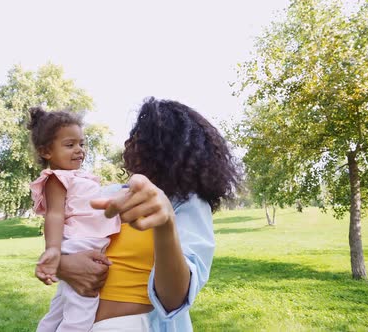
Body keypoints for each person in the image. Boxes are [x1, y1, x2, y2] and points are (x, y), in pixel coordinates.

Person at [49, 97, 240, 331]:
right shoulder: (110, 194)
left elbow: (174, 299)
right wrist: (62, 265)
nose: (130, 142)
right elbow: (67, 241)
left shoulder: (188, 205)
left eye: (141, 135)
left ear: (166, 148)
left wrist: (165, 224)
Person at [27, 106, 121, 332]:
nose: (79, 150)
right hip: (80, 243)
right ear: (46, 152)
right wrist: (52, 249)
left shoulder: (78, 176)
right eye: (70, 145)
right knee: (83, 307)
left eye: (81, 143)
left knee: (61, 306)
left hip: (85, 241)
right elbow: (55, 214)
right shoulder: (56, 178)